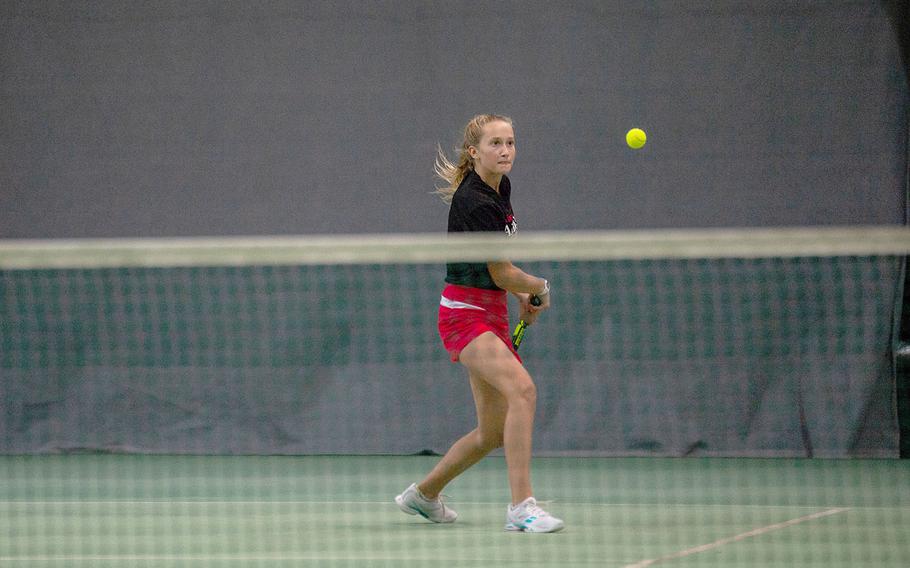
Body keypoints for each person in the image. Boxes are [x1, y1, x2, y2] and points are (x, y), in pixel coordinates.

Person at [395, 114, 564, 533]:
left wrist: (519, 294)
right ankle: (521, 508)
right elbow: (503, 272)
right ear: (474, 152)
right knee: (523, 390)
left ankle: (424, 495)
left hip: (490, 310)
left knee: (491, 432)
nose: (505, 151)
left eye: (510, 142)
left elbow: (498, 273)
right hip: (463, 315)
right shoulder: (475, 201)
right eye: (495, 144)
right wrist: (537, 285)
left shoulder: (500, 186)